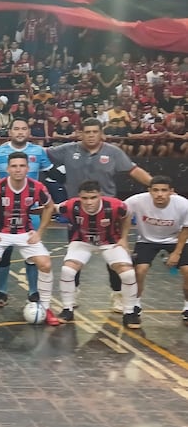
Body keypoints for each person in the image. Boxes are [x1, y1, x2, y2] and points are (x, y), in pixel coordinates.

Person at [47, 118, 152, 311]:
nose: (91, 135)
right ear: (80, 133)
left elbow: (134, 171)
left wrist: (155, 186)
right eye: (87, 132)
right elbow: (42, 154)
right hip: (77, 212)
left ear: (101, 133)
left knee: (113, 259)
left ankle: (117, 295)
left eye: (95, 131)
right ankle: (73, 292)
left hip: (109, 214)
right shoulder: (68, 150)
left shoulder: (114, 152)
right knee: (74, 254)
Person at [0, 152, 58, 326]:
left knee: (46, 264)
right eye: (14, 166)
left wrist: (40, 231)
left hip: (24, 233)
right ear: (8, 168)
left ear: (28, 168)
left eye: (22, 166)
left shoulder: (37, 187)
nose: (18, 169)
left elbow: (49, 207)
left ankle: (46, 307)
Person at [0, 118, 53, 307]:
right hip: (2, 211)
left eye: (24, 129)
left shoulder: (38, 151)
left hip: (31, 211)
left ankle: (33, 292)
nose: (20, 132)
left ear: (29, 131)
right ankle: (2, 292)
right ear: (10, 131)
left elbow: (50, 175)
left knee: (32, 252)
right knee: (3, 253)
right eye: (16, 129)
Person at [54, 180, 138, 328]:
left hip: (110, 242)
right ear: (79, 197)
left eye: (93, 197)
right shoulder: (71, 205)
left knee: (128, 274)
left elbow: (128, 215)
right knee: (67, 270)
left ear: (100, 196)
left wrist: (124, 238)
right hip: (82, 242)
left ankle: (130, 313)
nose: (88, 202)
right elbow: (52, 208)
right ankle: (67, 309)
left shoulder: (115, 205)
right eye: (84, 198)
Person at [124, 176, 188, 326]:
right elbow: (122, 214)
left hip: (175, 239)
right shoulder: (136, 200)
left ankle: (187, 307)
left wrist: (177, 253)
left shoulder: (183, 204)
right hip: (146, 240)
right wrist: (123, 239)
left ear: (171, 192)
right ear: (149, 191)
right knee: (140, 270)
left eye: (164, 190)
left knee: (187, 270)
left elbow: (186, 229)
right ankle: (135, 305)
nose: (159, 194)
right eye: (156, 190)